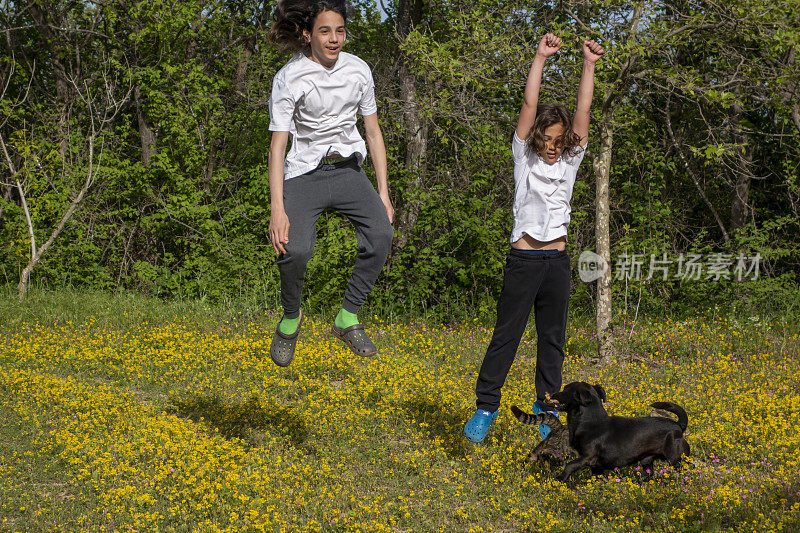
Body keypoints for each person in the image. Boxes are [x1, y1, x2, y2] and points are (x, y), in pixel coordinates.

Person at [464, 33, 605, 443]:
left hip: (557, 264)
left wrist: (588, 64)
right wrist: (540, 58)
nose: (549, 147)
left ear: (566, 143)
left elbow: (584, 109)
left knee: (552, 340)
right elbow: (529, 106)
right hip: (524, 261)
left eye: (557, 141)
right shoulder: (523, 158)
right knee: (506, 335)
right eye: (544, 140)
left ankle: (547, 413)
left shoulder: (572, 159)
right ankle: (486, 408)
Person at [266, 0, 394, 367]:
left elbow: (372, 130)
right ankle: (291, 319)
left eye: (340, 31)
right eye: (325, 31)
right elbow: (278, 145)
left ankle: (347, 317)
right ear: (307, 35)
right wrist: (278, 210)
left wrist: (383, 193)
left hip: (347, 171)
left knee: (382, 234)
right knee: (295, 249)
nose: (334, 39)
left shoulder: (358, 70)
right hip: (305, 173)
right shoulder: (289, 77)